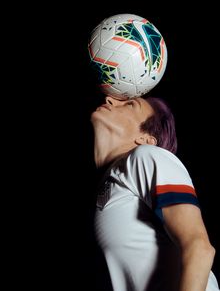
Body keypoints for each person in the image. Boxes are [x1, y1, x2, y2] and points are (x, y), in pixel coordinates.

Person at [90, 95, 219, 291]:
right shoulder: (109, 183)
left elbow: (199, 248)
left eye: (130, 104)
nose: (110, 99)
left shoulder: (147, 156)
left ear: (146, 139)